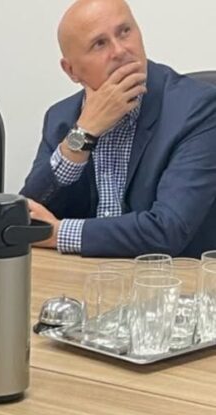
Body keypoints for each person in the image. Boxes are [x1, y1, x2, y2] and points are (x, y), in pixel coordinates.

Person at [21, 0, 216, 258]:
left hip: (168, 278)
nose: (120, 50)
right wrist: (83, 134)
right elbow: (26, 216)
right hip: (84, 274)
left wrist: (59, 233)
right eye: (99, 44)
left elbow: (168, 230)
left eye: (125, 32)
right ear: (71, 70)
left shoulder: (197, 108)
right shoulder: (62, 118)